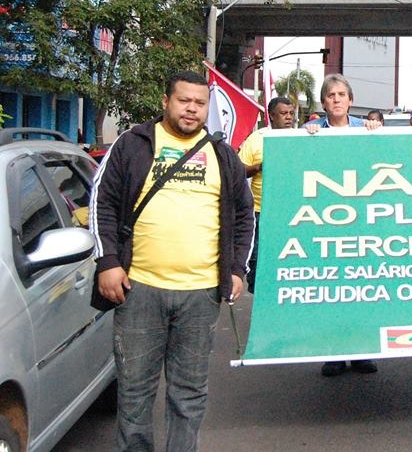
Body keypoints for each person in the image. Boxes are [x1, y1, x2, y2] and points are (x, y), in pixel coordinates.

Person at [90, 70, 254, 451]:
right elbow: (102, 201)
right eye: (184, 100)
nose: (191, 109)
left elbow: (244, 214)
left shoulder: (222, 155)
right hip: (139, 290)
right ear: (166, 102)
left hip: (200, 295)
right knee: (134, 393)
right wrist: (108, 261)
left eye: (200, 103)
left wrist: (236, 270)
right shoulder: (133, 145)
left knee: (189, 394)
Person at [306, 74, 380, 376]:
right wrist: (305, 138)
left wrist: (378, 133)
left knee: (362, 288)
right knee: (331, 290)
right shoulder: (311, 131)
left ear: (351, 100)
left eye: (341, 94)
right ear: (324, 102)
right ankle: (334, 352)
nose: (336, 100)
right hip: (327, 222)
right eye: (330, 95)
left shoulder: (368, 129)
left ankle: (362, 351)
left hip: (362, 222)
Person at [238, 96, 296, 293]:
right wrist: (258, 167)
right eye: (283, 113)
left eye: (291, 113)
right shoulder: (257, 139)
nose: (289, 117)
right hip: (260, 212)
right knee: (258, 257)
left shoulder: (300, 137)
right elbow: (239, 170)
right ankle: (259, 296)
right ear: (271, 116)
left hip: (292, 212)